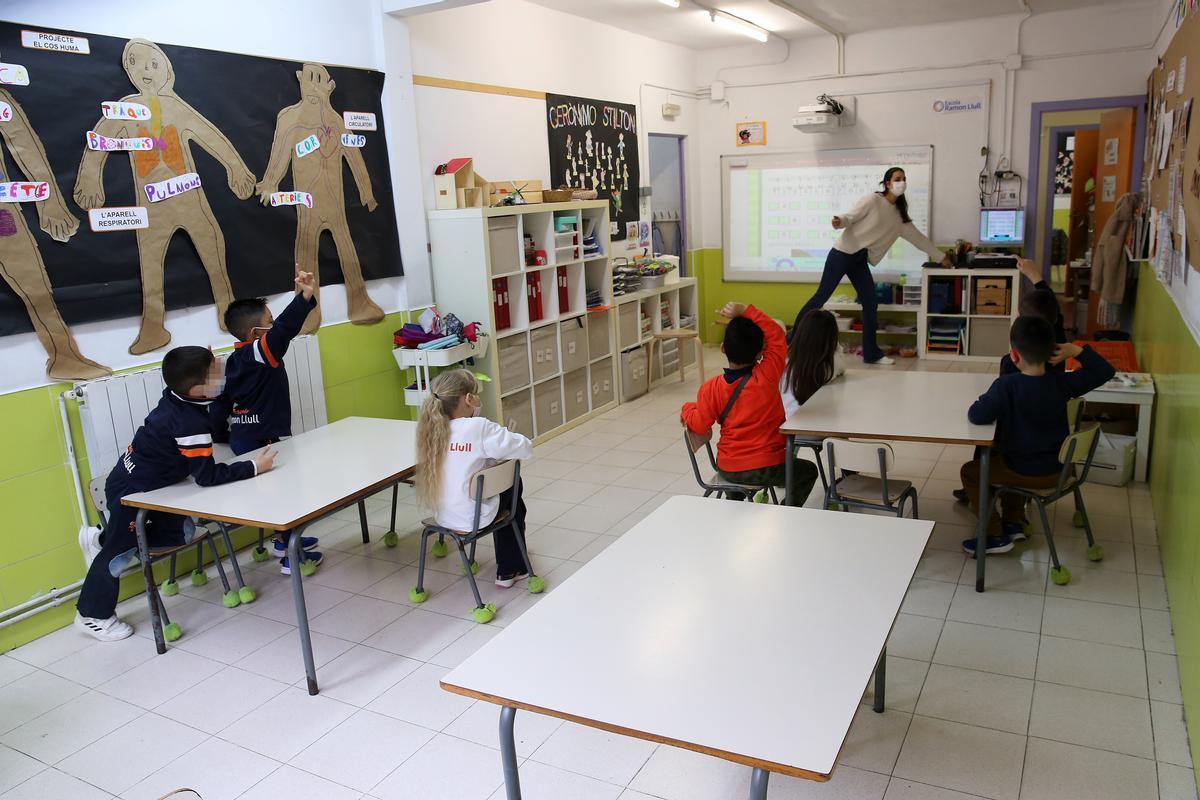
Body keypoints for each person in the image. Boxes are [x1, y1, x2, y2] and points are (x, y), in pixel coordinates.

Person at [75, 347, 275, 641]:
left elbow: (199, 390)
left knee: (182, 533)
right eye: (216, 374)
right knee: (117, 556)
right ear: (197, 389)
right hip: (131, 495)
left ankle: (100, 538)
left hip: (149, 486)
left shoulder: (180, 397)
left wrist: (206, 365)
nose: (222, 376)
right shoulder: (189, 423)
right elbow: (206, 476)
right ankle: (92, 614)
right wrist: (253, 467)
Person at [959, 317, 1115, 556]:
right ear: (1053, 351)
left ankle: (994, 534)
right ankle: (1013, 521)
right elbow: (1105, 370)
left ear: (1014, 355)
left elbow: (977, 416)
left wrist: (986, 398)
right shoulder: (1062, 383)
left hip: (1022, 471)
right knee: (1008, 458)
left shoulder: (1007, 385)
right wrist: (1076, 351)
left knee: (972, 471)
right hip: (1059, 470)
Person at [211, 266, 321, 568]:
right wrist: (304, 296)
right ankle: (291, 558)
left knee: (272, 494)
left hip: (244, 439)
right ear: (255, 333)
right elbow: (285, 328)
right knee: (284, 494)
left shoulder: (231, 361)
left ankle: (281, 540)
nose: (274, 327)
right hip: (265, 440)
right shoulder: (259, 352)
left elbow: (219, 405)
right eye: (268, 323)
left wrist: (223, 436)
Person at [792, 167, 954, 365]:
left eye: (904, 179)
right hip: (842, 253)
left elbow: (919, 239)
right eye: (897, 179)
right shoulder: (873, 200)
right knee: (821, 296)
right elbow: (851, 216)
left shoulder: (900, 217)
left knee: (870, 302)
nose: (901, 182)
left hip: (859, 259)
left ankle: (871, 353)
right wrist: (839, 221)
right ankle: (790, 341)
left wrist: (941, 257)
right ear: (887, 183)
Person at [681, 302, 818, 506]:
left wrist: (687, 409)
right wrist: (745, 311)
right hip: (769, 466)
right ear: (760, 353)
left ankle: (737, 506)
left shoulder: (710, 389)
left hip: (729, 468)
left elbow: (699, 425)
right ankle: (787, 511)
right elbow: (777, 335)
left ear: (722, 349)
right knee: (808, 471)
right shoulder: (768, 376)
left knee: (737, 484)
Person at [416, 369, 534, 587]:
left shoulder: (431, 430)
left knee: (501, 490)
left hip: (444, 517)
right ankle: (510, 570)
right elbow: (524, 448)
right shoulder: (478, 427)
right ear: (469, 399)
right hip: (475, 516)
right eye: (477, 393)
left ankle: (513, 564)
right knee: (512, 488)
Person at [781, 308, 847, 418]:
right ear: (831, 339)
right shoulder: (826, 366)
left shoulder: (788, 361)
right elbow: (842, 368)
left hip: (788, 419)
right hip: (804, 426)